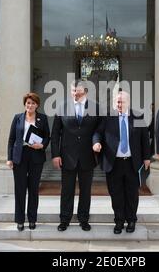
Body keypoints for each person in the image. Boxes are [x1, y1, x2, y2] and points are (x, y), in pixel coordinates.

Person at [92, 91, 151, 234]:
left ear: (128, 102)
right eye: (117, 102)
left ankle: (131, 220)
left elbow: (144, 139)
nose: (119, 104)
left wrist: (147, 157)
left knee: (132, 194)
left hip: (132, 163)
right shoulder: (108, 117)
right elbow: (97, 133)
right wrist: (96, 142)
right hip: (114, 163)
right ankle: (119, 221)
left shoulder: (138, 116)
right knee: (116, 194)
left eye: (122, 102)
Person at [51, 79, 100, 232]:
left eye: (77, 92)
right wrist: (55, 155)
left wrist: (96, 142)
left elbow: (98, 130)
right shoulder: (62, 107)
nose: (75, 94)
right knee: (67, 189)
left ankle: (83, 219)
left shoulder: (95, 107)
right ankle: (64, 219)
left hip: (87, 155)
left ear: (85, 91)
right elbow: (55, 134)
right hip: (67, 156)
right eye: (73, 91)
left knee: (86, 190)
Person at [7, 93, 50, 231]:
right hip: (20, 156)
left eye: (32, 103)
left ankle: (32, 219)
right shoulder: (17, 118)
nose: (30, 105)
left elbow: (47, 137)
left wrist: (42, 145)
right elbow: (11, 139)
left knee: (33, 189)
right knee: (20, 189)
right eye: (28, 103)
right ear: (25, 104)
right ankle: (20, 220)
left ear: (37, 105)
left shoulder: (42, 118)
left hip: (36, 155)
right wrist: (9, 158)